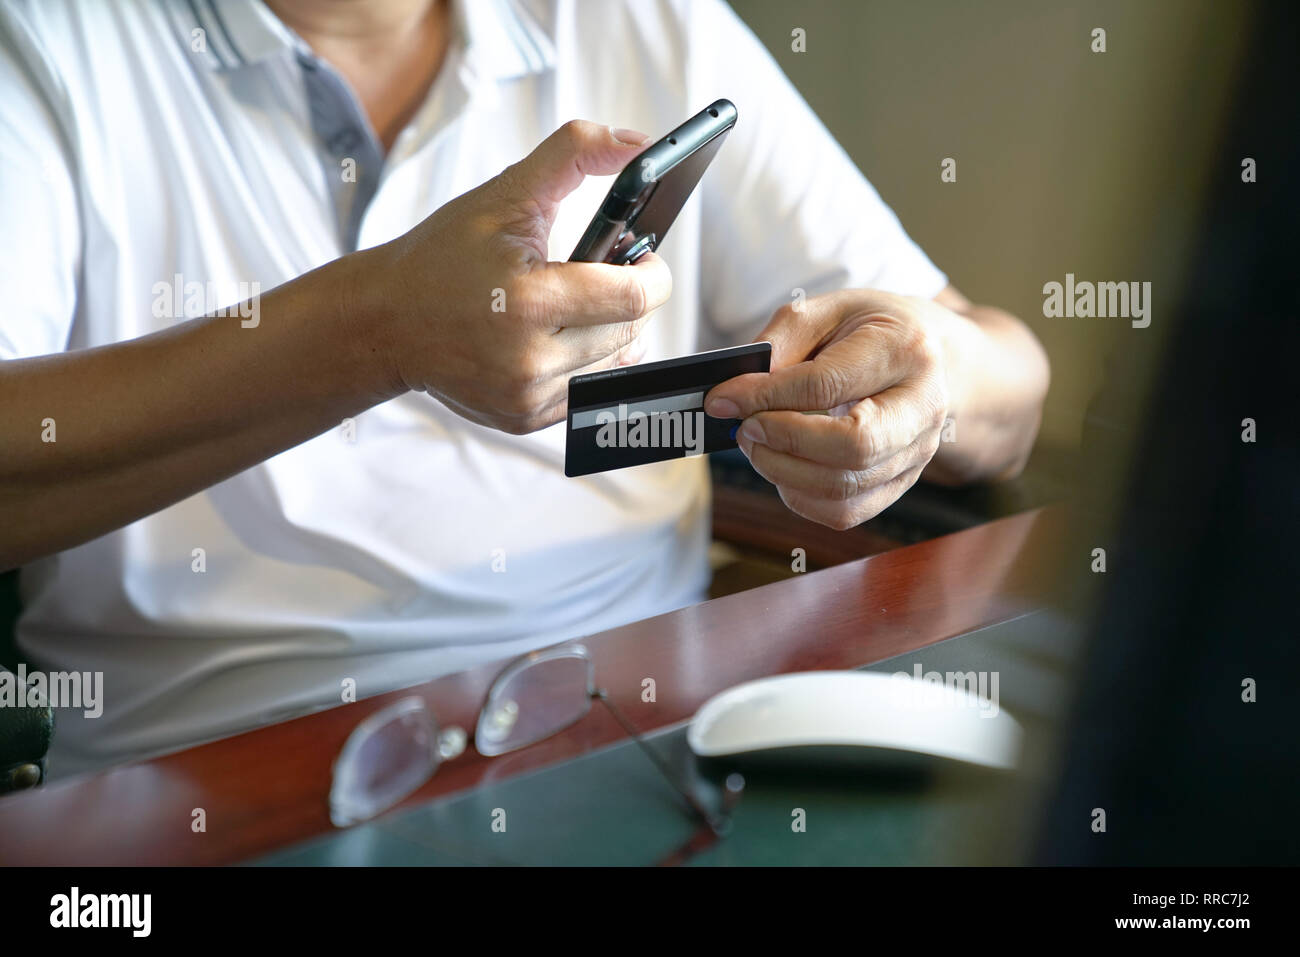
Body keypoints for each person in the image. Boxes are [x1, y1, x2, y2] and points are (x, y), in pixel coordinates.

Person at [0, 0, 1049, 776]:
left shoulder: (647, 22)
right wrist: (377, 329)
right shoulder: (45, 40)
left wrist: (933, 378)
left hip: (632, 725)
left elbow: (1008, 386)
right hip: (208, 767)